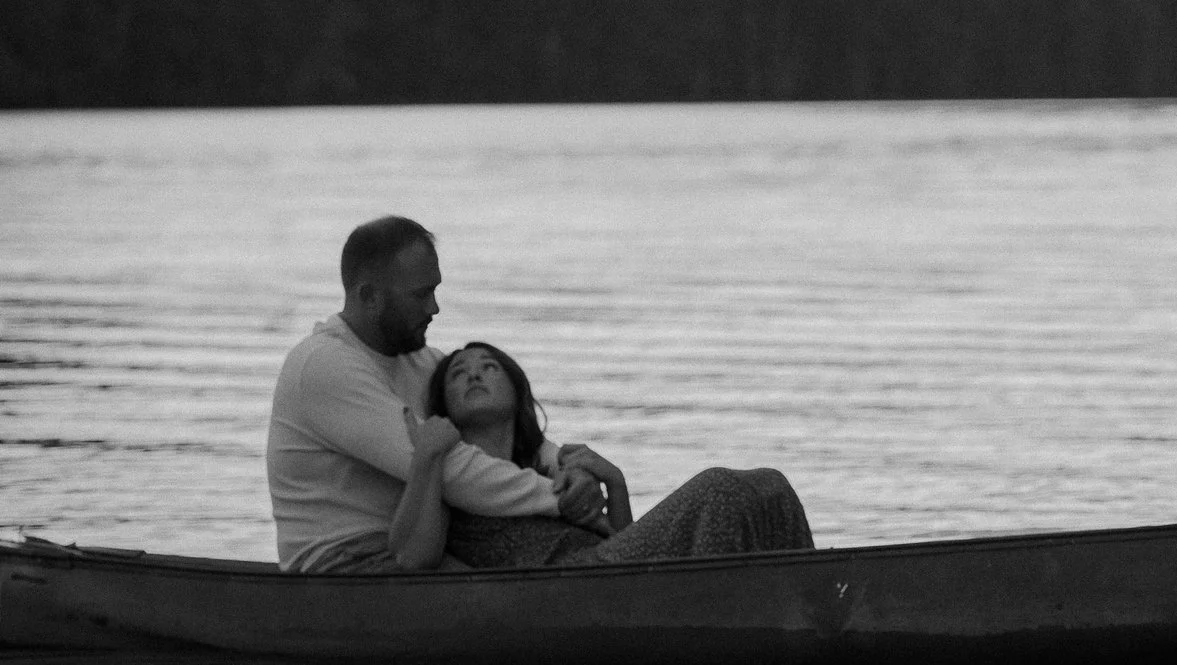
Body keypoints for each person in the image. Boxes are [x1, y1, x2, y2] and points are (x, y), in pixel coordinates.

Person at [267, 217, 608, 574]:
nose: (434, 308)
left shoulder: (424, 362)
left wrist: (563, 468)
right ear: (369, 297)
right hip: (345, 562)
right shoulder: (323, 365)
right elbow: (453, 471)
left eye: (435, 290)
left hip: (427, 544)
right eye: (419, 295)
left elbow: (508, 430)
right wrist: (558, 497)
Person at [389, 338, 814, 571]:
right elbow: (414, 556)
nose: (474, 375)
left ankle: (808, 607)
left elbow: (624, 549)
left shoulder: (543, 468)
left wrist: (616, 483)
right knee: (719, 487)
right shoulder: (457, 473)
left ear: (516, 390)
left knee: (770, 485)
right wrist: (427, 456)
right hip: (558, 589)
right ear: (446, 407)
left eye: (488, 367)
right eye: (459, 374)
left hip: (604, 575)